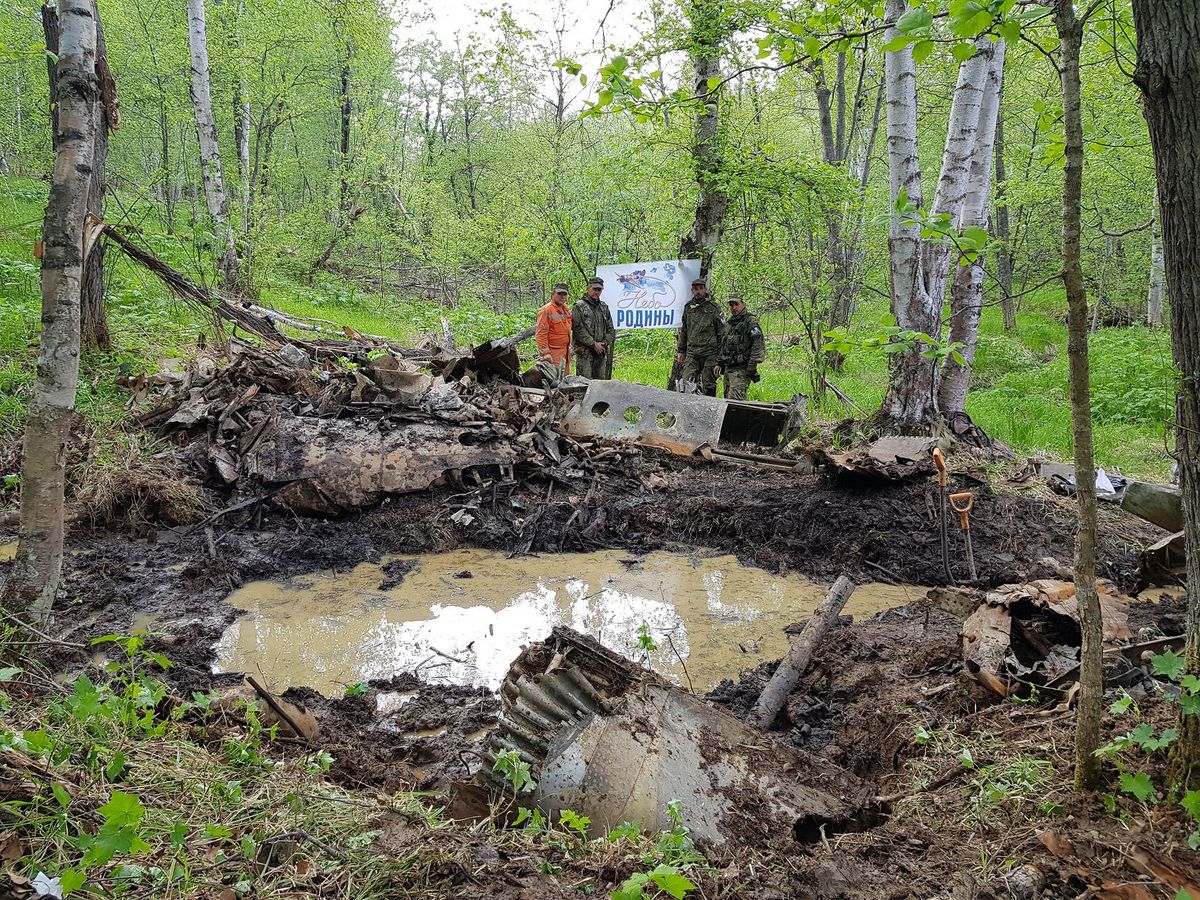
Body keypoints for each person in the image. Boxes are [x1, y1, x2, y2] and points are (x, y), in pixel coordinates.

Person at [674, 278, 725, 396]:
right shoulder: (688, 308)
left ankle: (710, 408)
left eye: (701, 289)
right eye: (696, 289)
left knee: (709, 383)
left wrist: (720, 357)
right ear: (692, 290)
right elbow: (684, 330)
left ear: (705, 290)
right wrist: (681, 351)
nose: (698, 291)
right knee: (686, 382)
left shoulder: (714, 308)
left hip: (710, 352)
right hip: (692, 352)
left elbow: (722, 332)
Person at [715, 297, 765, 401]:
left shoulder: (750, 322)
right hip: (729, 368)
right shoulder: (729, 323)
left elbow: (757, 344)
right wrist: (719, 363)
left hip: (741, 368)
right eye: (731, 305)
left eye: (736, 304)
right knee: (727, 401)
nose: (734, 308)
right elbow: (724, 344)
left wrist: (752, 365)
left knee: (736, 401)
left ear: (743, 304)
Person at [572, 276, 616, 379]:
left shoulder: (604, 307)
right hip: (585, 353)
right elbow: (578, 330)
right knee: (584, 384)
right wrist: (593, 344)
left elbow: (611, 329)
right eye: (594, 289)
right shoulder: (579, 306)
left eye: (599, 290)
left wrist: (604, 343)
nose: (596, 292)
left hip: (600, 352)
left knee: (600, 385)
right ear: (588, 288)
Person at [535, 283, 573, 373]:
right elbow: (540, 334)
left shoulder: (565, 309)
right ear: (553, 294)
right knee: (554, 383)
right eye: (559, 294)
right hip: (553, 354)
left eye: (564, 294)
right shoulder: (546, 310)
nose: (562, 297)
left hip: (565, 353)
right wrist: (545, 353)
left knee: (564, 381)